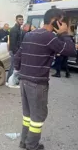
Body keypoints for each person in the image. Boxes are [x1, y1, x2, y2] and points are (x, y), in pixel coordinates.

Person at [14, 8, 77, 150]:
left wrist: (20, 72)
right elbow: (71, 51)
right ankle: (32, 146)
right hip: (37, 83)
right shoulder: (49, 37)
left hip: (24, 81)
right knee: (38, 117)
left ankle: (24, 142)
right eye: (61, 21)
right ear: (55, 21)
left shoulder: (30, 34)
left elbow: (18, 56)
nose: (63, 24)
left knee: (28, 115)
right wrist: (65, 34)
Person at [7, 15, 24, 85]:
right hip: (14, 51)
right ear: (16, 20)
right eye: (20, 19)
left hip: (17, 51)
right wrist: (17, 53)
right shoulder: (14, 29)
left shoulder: (19, 29)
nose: (21, 21)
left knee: (15, 66)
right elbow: (13, 43)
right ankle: (9, 81)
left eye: (22, 19)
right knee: (13, 66)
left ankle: (13, 81)